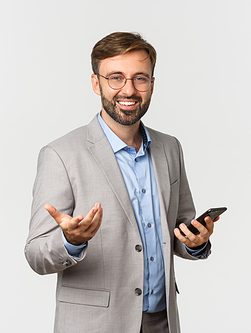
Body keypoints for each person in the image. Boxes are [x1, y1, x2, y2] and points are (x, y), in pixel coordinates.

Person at [25, 32, 219, 333]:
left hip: (163, 322)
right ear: (96, 83)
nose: (128, 90)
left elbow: (179, 229)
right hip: (96, 324)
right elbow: (36, 255)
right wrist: (71, 241)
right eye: (116, 78)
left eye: (140, 78)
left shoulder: (170, 148)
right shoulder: (61, 155)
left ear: (152, 85)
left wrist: (196, 242)